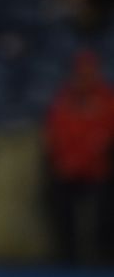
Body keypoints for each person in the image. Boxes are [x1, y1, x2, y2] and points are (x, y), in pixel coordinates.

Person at [43, 50, 114, 264]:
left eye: (88, 72)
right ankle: (68, 254)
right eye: (80, 73)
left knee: (106, 206)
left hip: (100, 170)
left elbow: (107, 138)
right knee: (55, 198)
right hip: (68, 170)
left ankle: (104, 255)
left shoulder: (107, 99)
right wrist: (62, 162)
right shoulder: (63, 99)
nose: (84, 77)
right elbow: (54, 135)